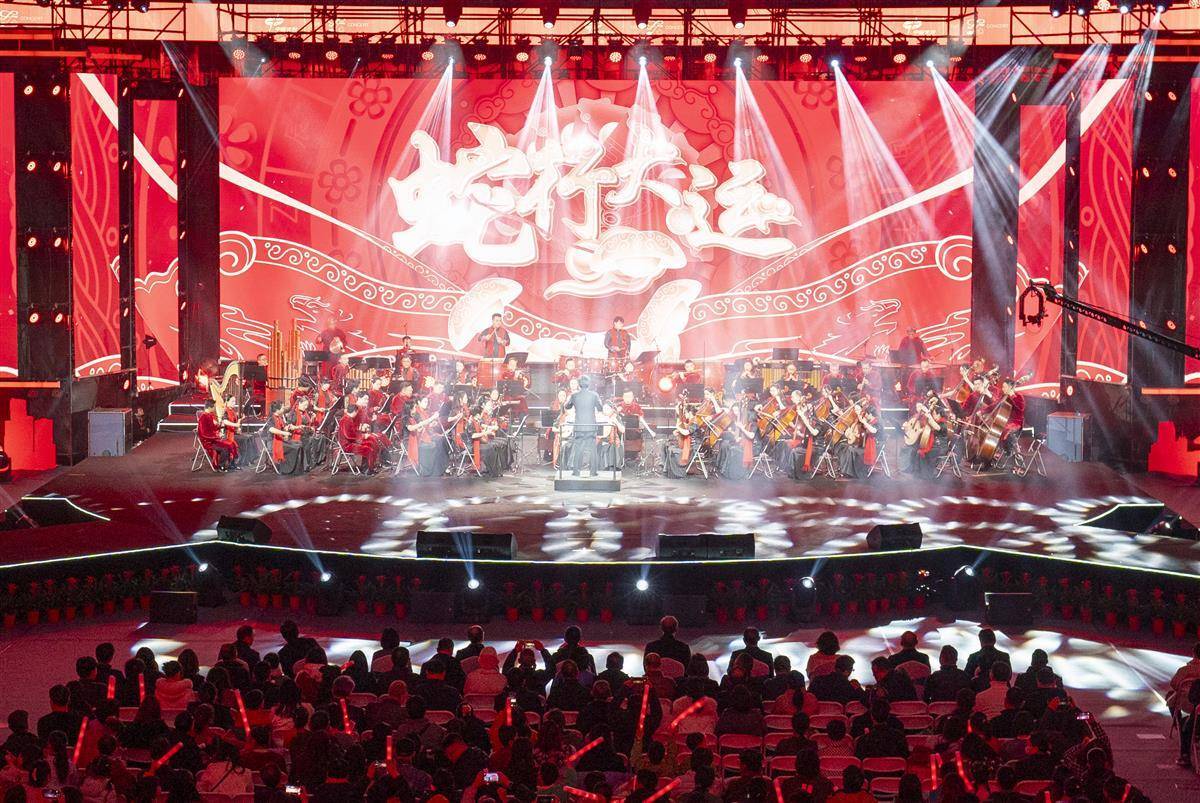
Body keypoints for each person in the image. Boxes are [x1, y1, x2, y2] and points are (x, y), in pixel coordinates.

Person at [1167, 642, 1200, 767]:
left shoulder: (1185, 670)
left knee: (1171, 699)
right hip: (1196, 705)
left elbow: (1174, 684)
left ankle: (1180, 727)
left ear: (1194, 654)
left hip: (1188, 702)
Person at [566, 376, 604, 477]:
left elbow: (567, 406)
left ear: (579, 384)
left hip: (579, 426)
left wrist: (571, 399)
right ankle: (593, 472)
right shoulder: (594, 395)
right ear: (589, 384)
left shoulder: (574, 395)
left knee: (578, 449)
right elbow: (600, 408)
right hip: (591, 426)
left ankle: (576, 471)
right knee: (592, 449)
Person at [197, 398, 237, 470]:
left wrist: (220, 426)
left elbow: (213, 428)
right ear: (209, 407)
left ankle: (231, 464)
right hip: (208, 442)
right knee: (225, 448)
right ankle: (221, 466)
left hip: (213, 439)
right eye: (214, 407)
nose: (215, 409)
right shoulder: (203, 417)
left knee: (231, 444)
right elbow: (203, 434)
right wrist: (216, 437)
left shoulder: (209, 415)